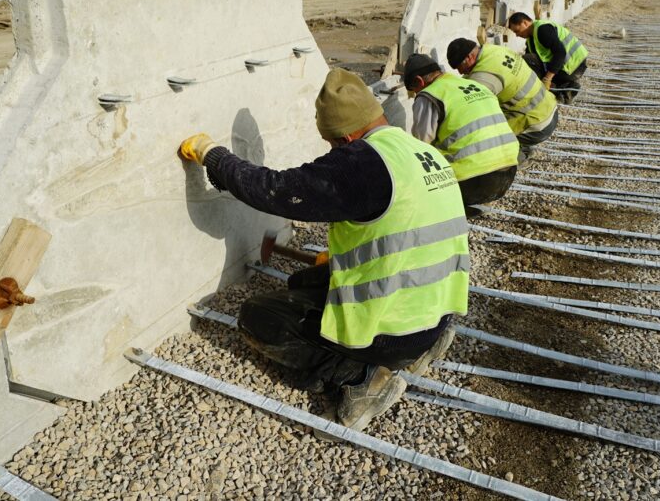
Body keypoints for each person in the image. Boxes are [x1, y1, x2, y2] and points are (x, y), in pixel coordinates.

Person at [178, 68, 468, 433]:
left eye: (332, 144)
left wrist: (213, 156)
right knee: (301, 282)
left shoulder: (360, 164)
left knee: (258, 316)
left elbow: (275, 190)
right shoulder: (419, 151)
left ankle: (359, 377)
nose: (331, 152)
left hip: (397, 329)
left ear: (346, 137)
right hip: (435, 310)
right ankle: (426, 344)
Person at [402, 53, 519, 210]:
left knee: (419, 166)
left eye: (414, 90)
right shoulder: (474, 84)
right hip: (509, 173)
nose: (416, 94)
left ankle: (456, 206)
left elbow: (422, 145)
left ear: (419, 81)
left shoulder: (430, 95)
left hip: (474, 181)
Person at [446, 37, 559, 163]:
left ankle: (518, 156)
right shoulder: (494, 51)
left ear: (468, 57)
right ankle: (521, 144)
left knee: (484, 143)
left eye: (459, 67)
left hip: (536, 126)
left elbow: (472, 114)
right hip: (551, 108)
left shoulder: (484, 78)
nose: (460, 72)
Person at [506, 12, 590, 103]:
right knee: (528, 63)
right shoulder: (531, 39)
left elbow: (560, 53)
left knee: (529, 60)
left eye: (517, 31)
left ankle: (565, 86)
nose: (517, 35)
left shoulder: (543, 30)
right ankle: (565, 88)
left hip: (574, 66)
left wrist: (547, 79)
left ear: (525, 23)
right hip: (568, 65)